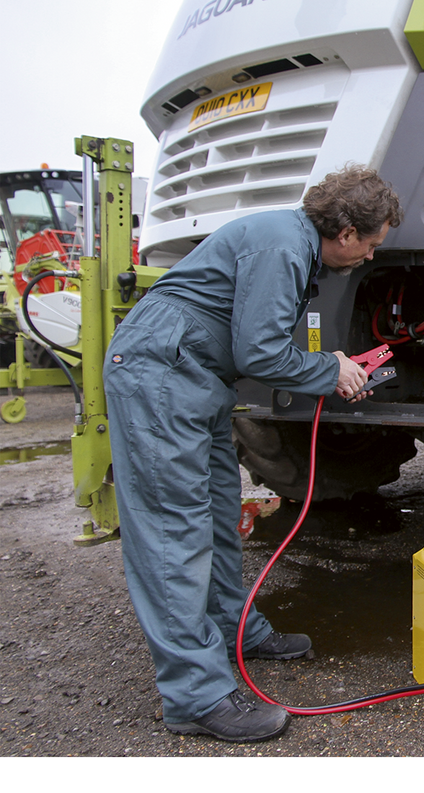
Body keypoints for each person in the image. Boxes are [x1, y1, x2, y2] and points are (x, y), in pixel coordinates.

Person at [104, 166, 402, 742]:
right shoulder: (283, 244)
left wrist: (327, 365)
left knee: (217, 513)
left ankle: (234, 630)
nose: (369, 256)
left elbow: (255, 343)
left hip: (196, 381)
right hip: (162, 375)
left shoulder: (290, 244)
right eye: (370, 244)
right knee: (174, 530)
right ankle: (196, 695)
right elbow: (262, 354)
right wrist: (329, 370)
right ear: (344, 230)